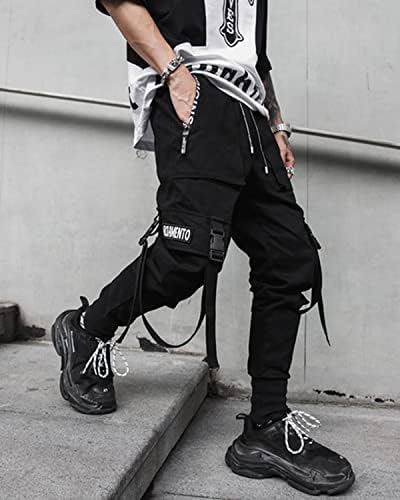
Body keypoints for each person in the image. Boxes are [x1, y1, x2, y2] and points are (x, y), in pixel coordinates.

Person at [51, 0, 355, 495]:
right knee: (188, 256)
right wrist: (174, 72)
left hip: (250, 110)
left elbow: (252, 53)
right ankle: (87, 329)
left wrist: (275, 122)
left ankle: (266, 428)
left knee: (289, 258)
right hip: (194, 89)